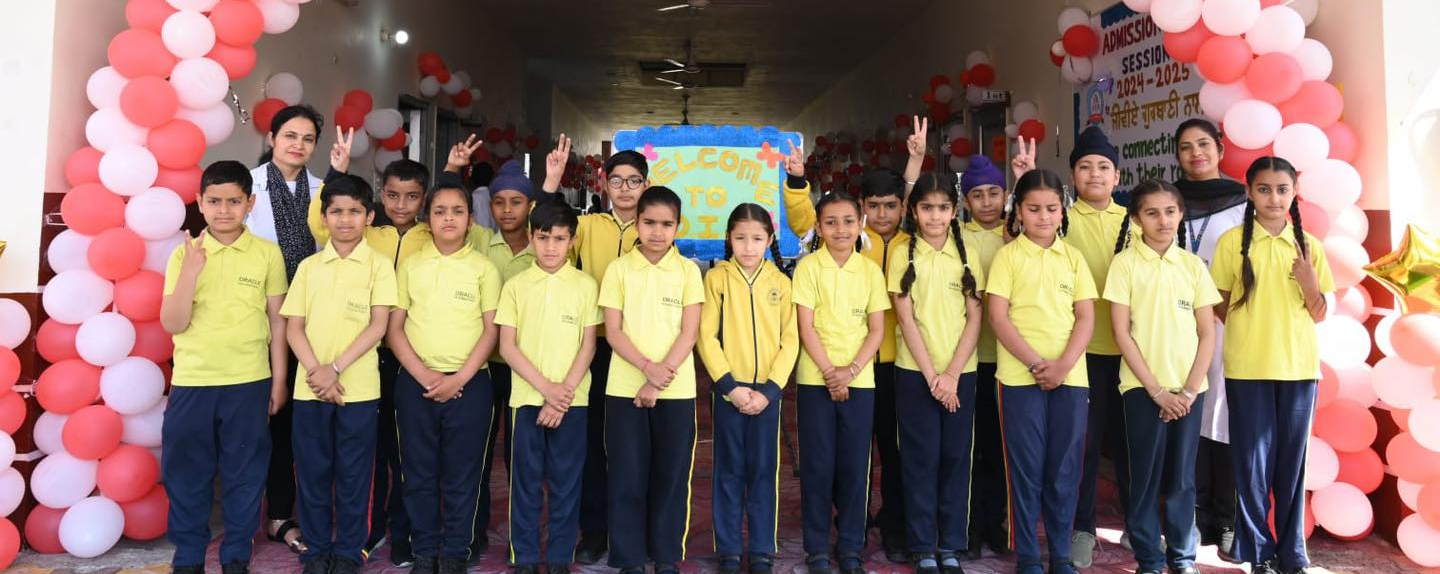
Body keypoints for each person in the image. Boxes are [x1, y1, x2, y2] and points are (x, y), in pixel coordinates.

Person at [782, 120, 926, 561]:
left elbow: (917, 201)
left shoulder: (911, 241)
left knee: (888, 452)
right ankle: (845, 529)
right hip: (833, 368)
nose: (881, 215)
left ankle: (889, 529)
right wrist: (797, 180)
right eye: (873, 207)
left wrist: (916, 162)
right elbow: (807, 219)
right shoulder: (849, 249)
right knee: (829, 457)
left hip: (891, 364)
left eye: (890, 207)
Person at [159, 160, 289, 574]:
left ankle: (235, 555)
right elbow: (173, 323)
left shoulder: (267, 254)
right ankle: (188, 558)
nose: (224, 210)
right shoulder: (184, 254)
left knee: (244, 473)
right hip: (193, 381)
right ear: (200, 202)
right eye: (214, 201)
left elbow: (277, 321)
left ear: (250, 203)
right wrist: (191, 273)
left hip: (249, 380)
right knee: (187, 473)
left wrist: (279, 379)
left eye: (234, 201)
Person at [1210, 157, 1333, 574]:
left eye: (1282, 190)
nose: (1274, 198)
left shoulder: (1309, 246)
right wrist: (1251, 330)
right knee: (1251, 466)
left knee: (1292, 467)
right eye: (1264, 189)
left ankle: (1292, 554)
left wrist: (1309, 283)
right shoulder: (1232, 243)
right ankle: (1258, 553)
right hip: (1247, 370)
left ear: (1294, 193)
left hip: (1299, 370)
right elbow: (1220, 304)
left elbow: (1319, 314)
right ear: (1249, 192)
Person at [246, 104, 350, 553]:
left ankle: (293, 512)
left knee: (299, 424)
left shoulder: (324, 189)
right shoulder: (247, 187)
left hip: (313, 320)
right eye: (290, 135)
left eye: (308, 139)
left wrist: (339, 175)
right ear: (272, 138)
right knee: (265, 420)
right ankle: (267, 514)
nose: (298, 145)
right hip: (259, 317)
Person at [280, 175, 397, 574]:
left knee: (355, 474)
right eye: (336, 212)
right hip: (310, 389)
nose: (345, 220)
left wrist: (334, 369)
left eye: (354, 211)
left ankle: (348, 550)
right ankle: (316, 550)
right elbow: (293, 327)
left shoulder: (379, 266)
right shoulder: (309, 267)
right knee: (311, 472)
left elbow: (378, 326)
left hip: (358, 390)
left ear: (369, 216)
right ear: (324, 217)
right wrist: (317, 372)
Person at [538, 136, 645, 563]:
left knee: (632, 446)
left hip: (639, 352)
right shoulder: (589, 226)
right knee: (593, 443)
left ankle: (632, 530)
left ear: (646, 184)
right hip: (593, 347)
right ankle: (595, 530)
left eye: (633, 181)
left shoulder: (653, 227)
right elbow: (547, 226)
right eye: (616, 180)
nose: (624, 189)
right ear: (604, 184)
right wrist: (551, 183)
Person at [386, 182, 503, 574]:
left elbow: (491, 331)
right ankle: (424, 550)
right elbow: (395, 329)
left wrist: (459, 379)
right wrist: (424, 375)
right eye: (440, 211)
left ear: (471, 220)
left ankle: (455, 552)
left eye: (457, 211)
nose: (448, 218)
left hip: (470, 385)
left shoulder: (484, 269)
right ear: (427, 219)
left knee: (463, 474)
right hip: (415, 383)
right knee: (417, 471)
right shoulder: (411, 265)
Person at [1107, 180, 1220, 574]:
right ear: (1137, 219)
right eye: (1152, 213)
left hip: (1190, 391)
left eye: (1170, 211)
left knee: (1183, 479)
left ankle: (1182, 557)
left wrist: (1188, 391)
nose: (1163, 220)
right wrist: (1156, 391)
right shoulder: (1125, 265)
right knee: (1145, 477)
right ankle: (1149, 559)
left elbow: (1207, 333)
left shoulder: (1192, 266)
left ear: (1181, 214)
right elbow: (1122, 333)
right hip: (1143, 389)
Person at [987, 169, 1095, 574]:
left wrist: (1063, 365)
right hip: (1019, 379)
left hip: (1071, 377)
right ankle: (1030, 556)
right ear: (1019, 212)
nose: (1044, 217)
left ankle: (1061, 555)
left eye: (1051, 209)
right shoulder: (1007, 257)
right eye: (1034, 209)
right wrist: (1035, 363)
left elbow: (1086, 317)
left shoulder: (1074, 258)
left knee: (1064, 469)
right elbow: (998, 317)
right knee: (1026, 468)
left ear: (1062, 211)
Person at [598, 186, 704, 574]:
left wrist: (657, 380)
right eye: (649, 223)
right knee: (626, 473)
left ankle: (665, 555)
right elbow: (613, 332)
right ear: (637, 223)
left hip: (677, 390)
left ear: (678, 226)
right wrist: (647, 369)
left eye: (666, 224)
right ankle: (628, 556)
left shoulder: (688, 271)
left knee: (671, 475)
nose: (657, 232)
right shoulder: (618, 269)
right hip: (623, 388)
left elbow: (689, 333)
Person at [889, 172, 985, 574]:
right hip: (916, 374)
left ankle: (950, 544)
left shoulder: (967, 253)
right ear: (913, 211)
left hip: (961, 374)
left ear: (954, 210)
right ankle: (923, 546)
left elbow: (975, 318)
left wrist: (952, 374)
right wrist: (933, 376)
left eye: (943, 207)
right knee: (919, 459)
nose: (935, 215)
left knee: (956, 457)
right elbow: (905, 319)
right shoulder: (902, 253)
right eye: (926, 207)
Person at [498, 201, 601, 574]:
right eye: (543, 238)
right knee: (524, 481)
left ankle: (559, 556)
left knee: (566, 481)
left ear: (572, 241)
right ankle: (524, 555)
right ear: (531, 238)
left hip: (573, 401)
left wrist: (562, 396)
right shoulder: (516, 286)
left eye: (559, 239)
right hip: (526, 399)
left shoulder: (586, 285)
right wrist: (546, 390)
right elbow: (507, 346)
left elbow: (588, 345)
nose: (551, 247)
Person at [697, 203, 800, 574]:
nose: (749, 246)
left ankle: (761, 548)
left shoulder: (781, 283)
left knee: (763, 470)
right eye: (740, 238)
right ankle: (727, 548)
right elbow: (706, 336)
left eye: (757, 239)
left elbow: (791, 340)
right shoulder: (717, 279)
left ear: (770, 240)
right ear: (729, 238)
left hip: (767, 395)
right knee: (728, 470)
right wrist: (729, 386)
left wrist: (770, 391)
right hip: (729, 392)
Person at [792, 192, 891, 574]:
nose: (840, 229)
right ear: (818, 227)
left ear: (860, 224)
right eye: (830, 222)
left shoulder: (869, 271)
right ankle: (817, 546)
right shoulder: (808, 268)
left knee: (855, 466)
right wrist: (830, 372)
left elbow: (876, 329)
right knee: (817, 465)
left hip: (860, 380)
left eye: (849, 221)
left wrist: (850, 371)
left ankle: (851, 544)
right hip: (815, 379)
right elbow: (806, 327)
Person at [1173, 118, 1248, 562]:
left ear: (1220, 149)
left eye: (1203, 144)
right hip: (1177, 325)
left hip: (1229, 323)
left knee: (1227, 417)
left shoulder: (1244, 203)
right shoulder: (1167, 201)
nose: (1195, 153)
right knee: (1189, 415)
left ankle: (1229, 518)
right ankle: (1195, 514)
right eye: (1186, 147)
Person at [956, 155, 1011, 558]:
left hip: (1010, 360)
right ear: (965, 201)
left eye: (994, 193)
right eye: (978, 195)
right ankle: (971, 528)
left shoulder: (1019, 234)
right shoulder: (956, 237)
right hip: (969, 358)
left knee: (1001, 449)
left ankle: (998, 524)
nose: (987, 202)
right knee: (971, 447)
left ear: (1006, 196)